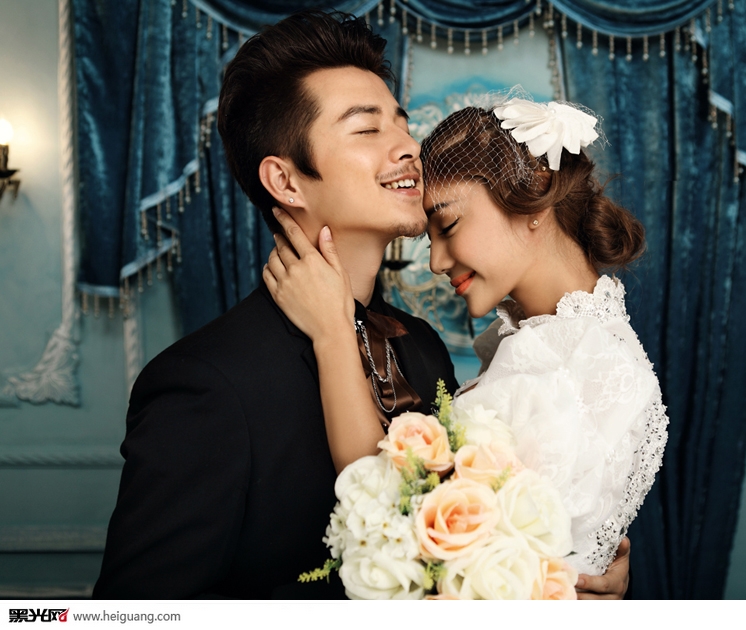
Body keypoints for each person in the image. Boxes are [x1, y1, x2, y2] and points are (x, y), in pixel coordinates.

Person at [93, 10, 457, 599]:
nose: (409, 148)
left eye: (402, 122)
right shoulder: (205, 384)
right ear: (285, 182)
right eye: (367, 129)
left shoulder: (423, 348)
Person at [265, 96, 666, 590]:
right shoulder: (578, 343)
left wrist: (332, 332)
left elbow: (393, 511)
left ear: (535, 192)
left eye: (449, 225)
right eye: (429, 238)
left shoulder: (557, 366)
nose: (436, 262)